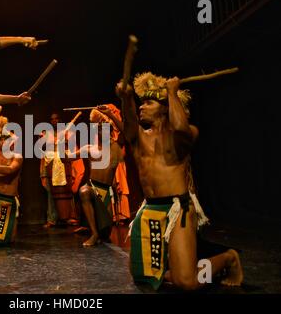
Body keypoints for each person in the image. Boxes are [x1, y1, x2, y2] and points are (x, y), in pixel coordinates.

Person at [119, 72, 243, 290]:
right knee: (144, 277)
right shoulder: (139, 138)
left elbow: (180, 130)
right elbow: (128, 121)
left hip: (178, 209)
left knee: (187, 282)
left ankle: (227, 259)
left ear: (165, 107)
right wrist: (125, 97)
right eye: (141, 103)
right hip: (151, 210)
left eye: (148, 102)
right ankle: (178, 268)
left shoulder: (186, 134)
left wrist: (172, 93)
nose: (142, 107)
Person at [75, 107, 124, 247]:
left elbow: (126, 131)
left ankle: (99, 233)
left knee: (106, 234)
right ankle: (94, 233)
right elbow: (66, 158)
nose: (105, 132)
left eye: (107, 129)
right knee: (84, 191)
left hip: (105, 190)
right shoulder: (90, 148)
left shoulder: (116, 147)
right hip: (92, 187)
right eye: (101, 129)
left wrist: (110, 115)